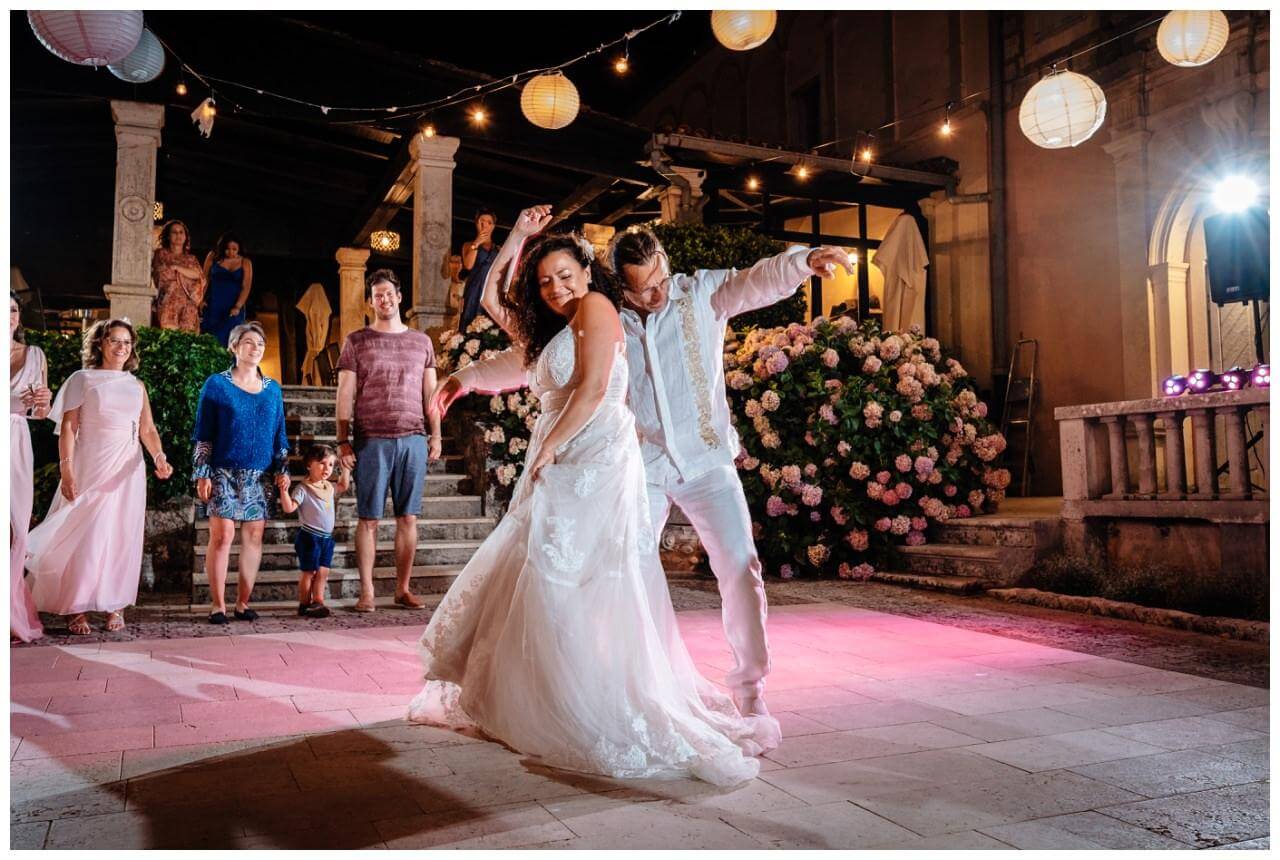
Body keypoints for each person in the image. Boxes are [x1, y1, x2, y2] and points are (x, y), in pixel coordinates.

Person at [412, 220, 779, 786]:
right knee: (563, 578)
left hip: (599, 456)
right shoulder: (560, 325)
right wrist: (465, 376)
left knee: (599, 576)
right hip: (573, 459)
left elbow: (591, 389)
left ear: (588, 271)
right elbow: (505, 328)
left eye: (564, 275)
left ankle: (649, 691)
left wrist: (548, 448)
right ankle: (556, 690)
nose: (555, 287)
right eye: (544, 281)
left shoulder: (598, 308)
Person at [442, 218, 853, 718]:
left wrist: (804, 261)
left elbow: (756, 280)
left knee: (740, 567)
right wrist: (468, 377)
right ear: (619, 282)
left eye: (659, 282)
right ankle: (639, 685)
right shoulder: (602, 312)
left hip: (706, 461)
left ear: (666, 264)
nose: (655, 295)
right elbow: (533, 359)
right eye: (641, 289)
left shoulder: (701, 292)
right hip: (642, 467)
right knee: (627, 576)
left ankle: (750, 689)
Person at [27, 319, 173, 635]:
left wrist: (159, 456)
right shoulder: (82, 379)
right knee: (85, 533)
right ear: (100, 344)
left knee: (121, 534)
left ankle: (114, 603)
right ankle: (75, 607)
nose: (122, 347)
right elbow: (69, 428)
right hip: (91, 463)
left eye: (127, 342)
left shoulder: (136, 385)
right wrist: (66, 469)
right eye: (114, 340)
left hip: (128, 469)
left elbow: (147, 428)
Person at [336, 269, 441, 613]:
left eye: (389, 293)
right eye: (377, 295)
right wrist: (343, 440)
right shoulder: (356, 341)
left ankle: (402, 589)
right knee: (369, 519)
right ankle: (367, 592)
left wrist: (436, 434)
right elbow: (345, 392)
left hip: (413, 437)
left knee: (408, 518)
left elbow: (431, 393)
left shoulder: (421, 342)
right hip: (371, 438)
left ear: (399, 297)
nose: (384, 299)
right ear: (371, 302)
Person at [192, 322, 290, 625]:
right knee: (222, 536)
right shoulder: (216, 384)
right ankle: (218, 605)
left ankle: (242, 603)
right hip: (223, 471)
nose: (255, 348)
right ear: (234, 347)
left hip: (260, 475)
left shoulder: (272, 389)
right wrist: (202, 472)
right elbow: (203, 433)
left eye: (260, 343)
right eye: (248, 342)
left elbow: (280, 434)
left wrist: (282, 469)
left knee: (254, 536)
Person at [10, 292, 50, 643]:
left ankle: (9, 611)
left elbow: (40, 413)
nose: (9, 315)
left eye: (12, 309)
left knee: (16, 530)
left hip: (17, 441)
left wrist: (42, 403)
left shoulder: (35, 354)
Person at [278, 444, 350, 619]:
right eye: (322, 463)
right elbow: (289, 508)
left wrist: (346, 469)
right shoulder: (303, 489)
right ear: (309, 464)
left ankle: (318, 601)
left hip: (326, 539)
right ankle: (304, 603)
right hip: (310, 537)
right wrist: (283, 490)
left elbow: (343, 485)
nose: (327, 468)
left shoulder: (328, 487)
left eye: (331, 464)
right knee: (309, 572)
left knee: (323, 572)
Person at [152, 219, 206, 332]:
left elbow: (199, 276)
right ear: (168, 236)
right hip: (168, 303)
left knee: (187, 338)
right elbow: (162, 274)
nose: (178, 235)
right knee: (169, 337)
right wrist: (188, 275)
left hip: (188, 305)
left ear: (185, 236)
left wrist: (177, 268)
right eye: (174, 232)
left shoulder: (191, 259)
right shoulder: (161, 254)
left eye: (181, 232)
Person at [200, 232, 253, 346]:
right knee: (210, 339)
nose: (231, 252)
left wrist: (238, 306)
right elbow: (204, 280)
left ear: (239, 248)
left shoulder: (245, 262)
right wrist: (201, 299)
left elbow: (246, 287)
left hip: (234, 307)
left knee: (232, 339)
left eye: (234, 249)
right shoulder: (212, 256)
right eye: (227, 249)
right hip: (213, 304)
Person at [457, 207, 499, 332]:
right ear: (476, 224)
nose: (485, 225)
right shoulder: (468, 245)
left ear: (493, 226)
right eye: (482, 221)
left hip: (492, 290)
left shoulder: (499, 249)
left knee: (492, 326)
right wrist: (476, 243)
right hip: (475, 289)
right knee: (471, 322)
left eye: (489, 222)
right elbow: (468, 265)